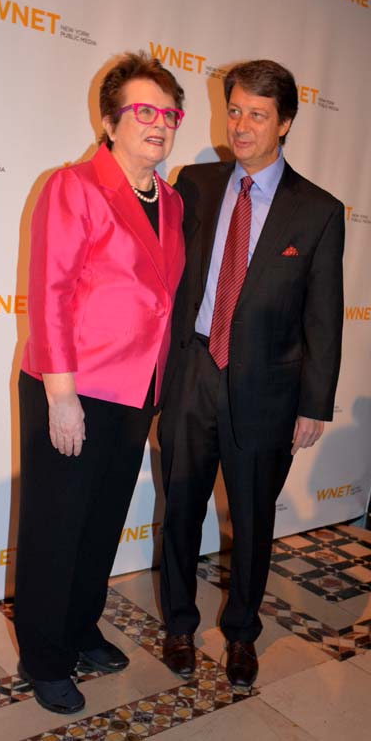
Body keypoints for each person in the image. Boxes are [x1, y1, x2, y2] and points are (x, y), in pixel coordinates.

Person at [159, 59, 344, 691]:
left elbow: (323, 315)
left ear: (285, 122)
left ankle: (242, 634)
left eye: (256, 115)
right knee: (180, 507)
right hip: (194, 374)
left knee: (254, 520)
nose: (239, 125)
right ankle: (178, 624)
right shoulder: (198, 182)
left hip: (267, 390)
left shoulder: (317, 211)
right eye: (234, 109)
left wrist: (315, 403)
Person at [14, 51, 185, 714]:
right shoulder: (75, 186)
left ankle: (81, 628)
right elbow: (50, 294)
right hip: (74, 385)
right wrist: (60, 396)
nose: (159, 123)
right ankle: (43, 653)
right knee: (57, 526)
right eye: (143, 110)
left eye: (168, 113)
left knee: (102, 521)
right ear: (110, 120)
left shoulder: (168, 202)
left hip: (136, 391)